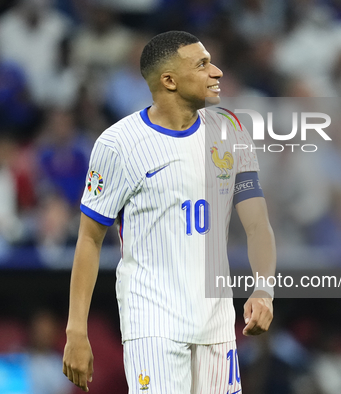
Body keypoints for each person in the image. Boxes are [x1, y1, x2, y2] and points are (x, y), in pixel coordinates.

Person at [62, 31, 276, 393]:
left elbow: (257, 224)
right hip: (153, 322)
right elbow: (88, 239)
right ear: (169, 80)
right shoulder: (119, 145)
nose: (218, 72)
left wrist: (264, 289)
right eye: (203, 65)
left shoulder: (232, 131)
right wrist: (76, 331)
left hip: (216, 324)